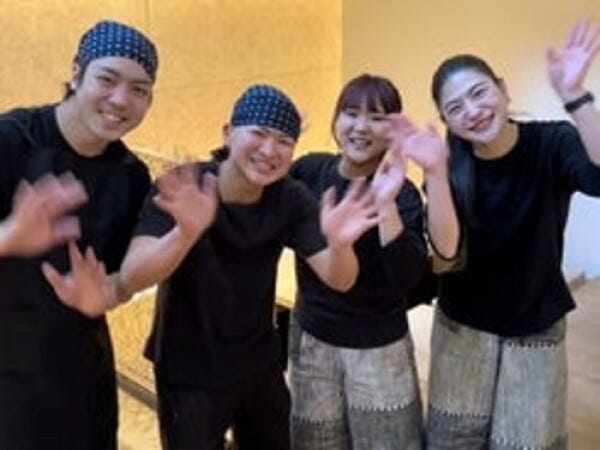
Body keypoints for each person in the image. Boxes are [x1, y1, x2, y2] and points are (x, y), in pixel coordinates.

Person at [117, 84, 380, 450]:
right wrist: (184, 233)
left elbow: (340, 279)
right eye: (258, 133)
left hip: (258, 361)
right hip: (189, 368)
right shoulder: (186, 187)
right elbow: (132, 276)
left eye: (284, 141)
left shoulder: (290, 197)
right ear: (228, 133)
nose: (269, 150)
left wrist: (340, 244)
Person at [390, 20, 600, 450]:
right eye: (455, 108)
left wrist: (575, 97)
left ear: (503, 90)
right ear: (447, 121)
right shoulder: (448, 162)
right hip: (463, 323)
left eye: (479, 93)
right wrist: (435, 174)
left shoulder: (552, 141)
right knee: (453, 439)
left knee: (526, 440)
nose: (472, 111)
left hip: (536, 320)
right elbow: (446, 252)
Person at [0, 20, 157, 449]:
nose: (121, 100)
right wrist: (10, 234)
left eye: (139, 89)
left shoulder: (131, 176)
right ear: (76, 73)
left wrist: (114, 291)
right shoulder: (11, 140)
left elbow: (116, 280)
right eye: (107, 79)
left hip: (81, 372)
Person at [287, 74, 429, 450]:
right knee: (316, 442)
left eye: (377, 117)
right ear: (336, 119)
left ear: (392, 130)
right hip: (313, 339)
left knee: (389, 442)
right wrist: (279, 138)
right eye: (351, 113)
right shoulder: (309, 171)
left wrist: (385, 204)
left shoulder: (403, 194)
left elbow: (409, 277)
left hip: (379, 347)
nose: (361, 127)